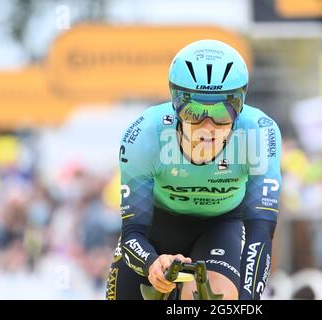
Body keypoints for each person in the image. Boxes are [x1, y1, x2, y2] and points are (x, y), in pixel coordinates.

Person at [105, 39, 282, 300]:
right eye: (194, 111)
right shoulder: (143, 135)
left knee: (213, 297)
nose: (207, 126)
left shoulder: (259, 133)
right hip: (157, 226)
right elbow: (133, 233)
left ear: (240, 106)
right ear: (176, 105)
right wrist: (152, 264)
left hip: (220, 227)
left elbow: (261, 232)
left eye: (222, 112)